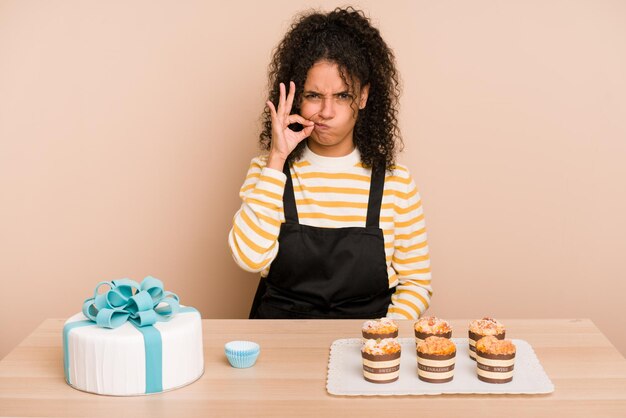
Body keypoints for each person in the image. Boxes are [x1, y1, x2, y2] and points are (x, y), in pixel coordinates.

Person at [228, 7, 432, 319]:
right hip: (281, 343)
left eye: (341, 96)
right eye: (313, 96)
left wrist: (381, 339)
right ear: (296, 98)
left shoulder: (396, 182)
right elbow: (249, 258)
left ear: (363, 97)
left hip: (368, 351)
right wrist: (277, 158)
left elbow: (416, 284)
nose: (326, 111)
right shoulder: (268, 170)